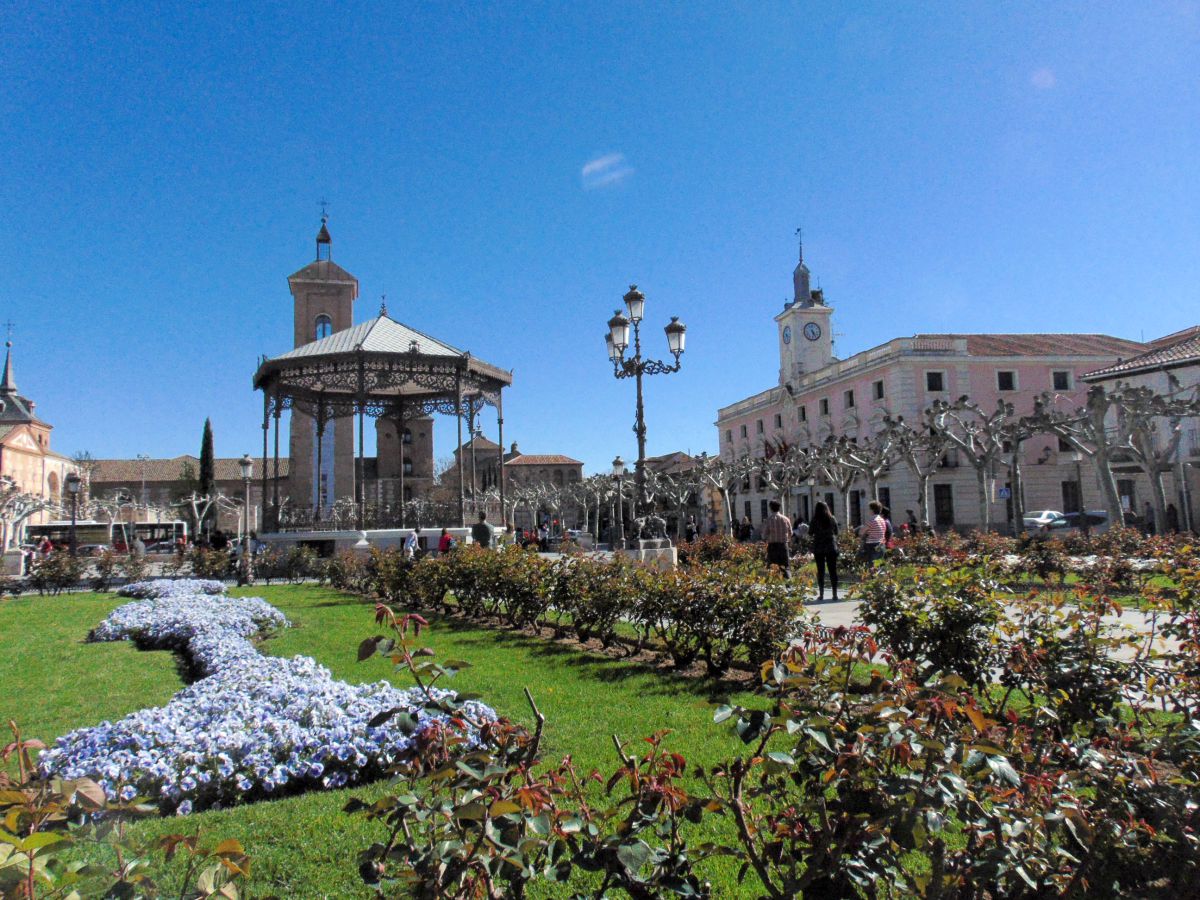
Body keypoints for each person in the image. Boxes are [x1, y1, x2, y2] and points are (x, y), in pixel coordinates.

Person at [809, 500, 840, 602]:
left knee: (820, 570)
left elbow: (810, 532)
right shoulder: (832, 518)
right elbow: (836, 531)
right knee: (833, 570)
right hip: (831, 546)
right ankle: (835, 594)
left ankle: (821, 594)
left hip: (819, 547)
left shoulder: (815, 520)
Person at [762, 500, 792, 575]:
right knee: (785, 566)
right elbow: (790, 533)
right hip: (783, 545)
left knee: (772, 567)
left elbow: (764, 535)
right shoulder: (786, 519)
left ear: (771, 508)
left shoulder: (769, 520)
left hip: (773, 546)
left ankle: (774, 584)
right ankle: (788, 584)